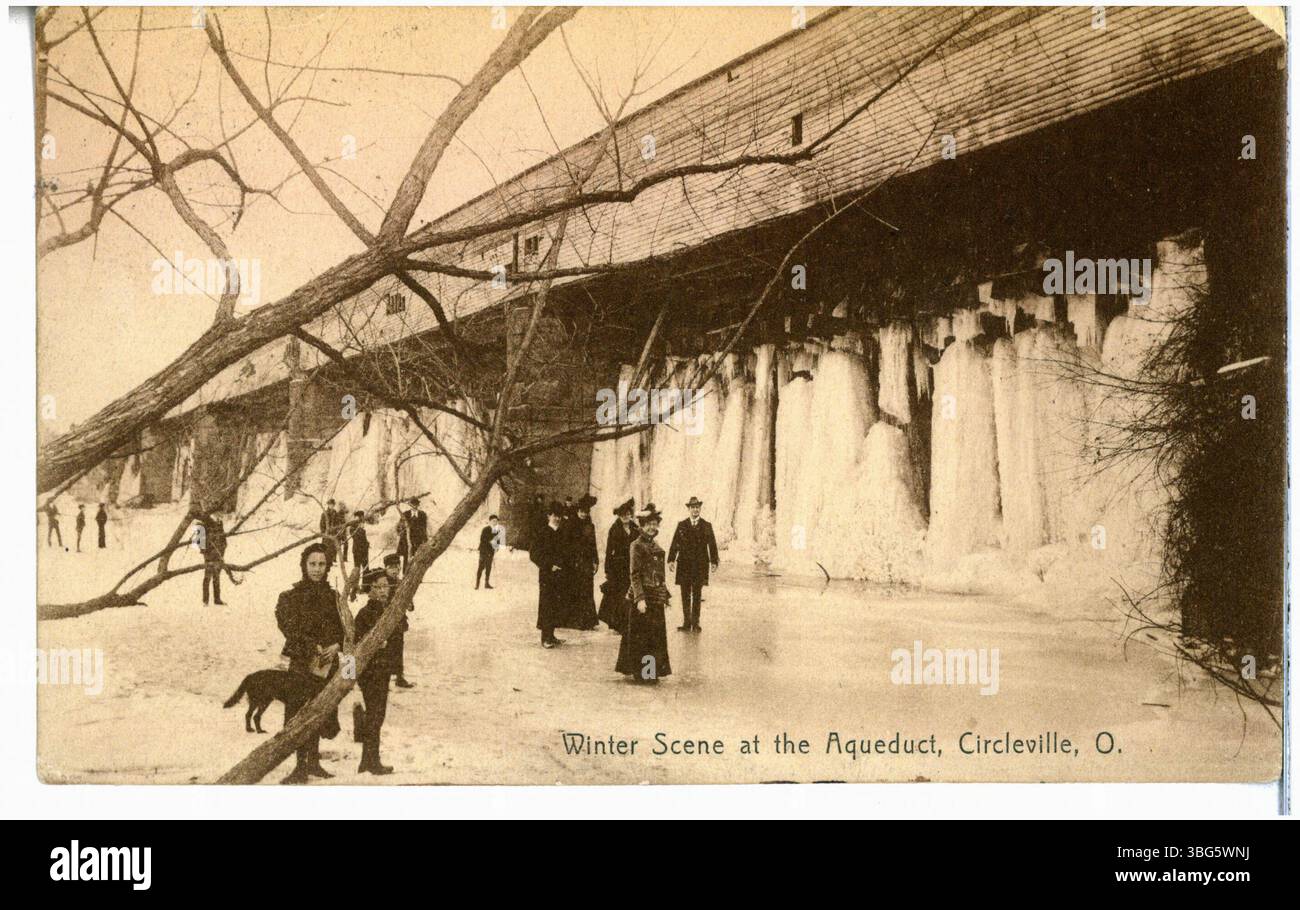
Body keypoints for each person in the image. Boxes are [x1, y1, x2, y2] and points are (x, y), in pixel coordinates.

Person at [274, 543, 344, 784]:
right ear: (304, 566)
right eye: (312, 564)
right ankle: (299, 766)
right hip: (300, 662)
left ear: (328, 567)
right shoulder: (290, 597)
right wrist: (309, 644)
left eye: (321, 564)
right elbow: (287, 625)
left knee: (319, 710)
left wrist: (336, 645)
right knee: (299, 712)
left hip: (325, 663)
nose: (317, 569)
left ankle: (314, 763)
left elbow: (344, 628)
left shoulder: (334, 597)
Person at [616, 504, 672, 684]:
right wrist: (639, 599)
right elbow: (634, 574)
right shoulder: (636, 546)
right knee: (642, 637)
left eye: (654, 524)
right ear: (641, 525)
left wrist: (665, 594)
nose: (652, 527)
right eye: (648, 524)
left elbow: (659, 574)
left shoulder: (655, 545)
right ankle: (641, 673)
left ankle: (651, 672)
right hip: (643, 599)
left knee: (654, 637)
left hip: (656, 598)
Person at [353, 568, 401, 775]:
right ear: (369, 589)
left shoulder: (385, 610)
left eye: (386, 586)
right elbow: (355, 644)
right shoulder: (366, 613)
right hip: (371, 673)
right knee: (376, 715)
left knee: (376, 715)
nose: (383, 591)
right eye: (378, 587)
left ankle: (367, 759)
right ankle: (372, 761)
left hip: (381, 671)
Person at [667, 496, 720, 633]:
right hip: (684, 565)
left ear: (700, 509)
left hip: (700, 565)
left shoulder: (706, 525)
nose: (695, 509)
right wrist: (671, 559)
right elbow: (675, 543)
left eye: (697, 507)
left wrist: (714, 561)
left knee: (697, 594)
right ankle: (686, 623)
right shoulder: (682, 525)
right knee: (685, 594)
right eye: (693, 507)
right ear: (689, 509)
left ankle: (695, 623)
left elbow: (712, 545)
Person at [598, 498, 638, 633]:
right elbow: (609, 550)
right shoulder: (614, 529)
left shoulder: (635, 528)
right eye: (623, 515)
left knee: (630, 594)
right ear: (619, 515)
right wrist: (608, 569)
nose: (626, 517)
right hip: (618, 567)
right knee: (618, 595)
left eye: (628, 514)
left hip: (632, 566)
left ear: (630, 514)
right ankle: (617, 624)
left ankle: (628, 622)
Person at [530, 502, 567, 648]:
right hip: (547, 575)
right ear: (548, 516)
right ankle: (545, 638)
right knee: (546, 605)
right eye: (554, 516)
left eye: (559, 516)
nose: (557, 519)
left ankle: (551, 635)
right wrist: (549, 565)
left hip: (560, 574)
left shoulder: (562, 532)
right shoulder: (542, 532)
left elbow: (567, 552)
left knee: (556, 605)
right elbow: (534, 554)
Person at [560, 494, 599, 630]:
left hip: (587, 562)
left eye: (586, 512)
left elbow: (593, 544)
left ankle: (587, 621)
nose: (583, 514)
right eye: (581, 511)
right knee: (574, 590)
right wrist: (570, 559)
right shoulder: (571, 524)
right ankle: (574, 620)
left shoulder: (590, 526)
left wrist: (596, 561)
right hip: (574, 562)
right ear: (577, 512)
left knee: (587, 590)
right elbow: (566, 544)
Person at [382, 553, 415, 689]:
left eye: (397, 567)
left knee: (398, 649)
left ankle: (399, 677)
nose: (395, 570)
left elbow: (410, 604)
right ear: (386, 569)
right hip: (384, 622)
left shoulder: (401, 583)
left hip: (399, 623)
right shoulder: (382, 583)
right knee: (385, 650)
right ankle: (384, 678)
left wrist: (409, 604)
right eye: (391, 568)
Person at [201, 513, 227, 606]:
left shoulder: (220, 523)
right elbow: (200, 540)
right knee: (207, 577)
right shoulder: (205, 522)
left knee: (217, 576)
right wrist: (205, 551)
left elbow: (224, 539)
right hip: (209, 554)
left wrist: (223, 549)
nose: (219, 516)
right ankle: (205, 600)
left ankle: (217, 599)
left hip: (219, 554)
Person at [476, 515, 502, 589]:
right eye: (494, 521)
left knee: (488, 567)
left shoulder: (497, 531)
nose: (495, 522)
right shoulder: (485, 529)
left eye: (496, 521)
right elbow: (482, 539)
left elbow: (498, 541)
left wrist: (497, 547)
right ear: (490, 521)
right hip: (483, 550)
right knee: (481, 567)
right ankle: (477, 584)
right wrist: (490, 542)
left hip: (491, 551)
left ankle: (486, 583)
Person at [349, 511, 370, 601]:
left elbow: (363, 539)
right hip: (357, 551)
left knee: (366, 569)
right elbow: (356, 537)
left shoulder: (361, 526)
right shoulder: (353, 528)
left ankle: (365, 588)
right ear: (356, 517)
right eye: (359, 517)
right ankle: (354, 590)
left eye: (361, 517)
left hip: (364, 551)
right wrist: (360, 528)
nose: (360, 519)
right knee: (357, 569)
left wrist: (367, 543)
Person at [320, 499, 340, 563]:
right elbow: (321, 524)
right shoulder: (324, 513)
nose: (331, 506)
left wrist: (337, 530)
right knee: (326, 546)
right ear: (328, 505)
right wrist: (324, 532)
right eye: (330, 504)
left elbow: (338, 523)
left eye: (332, 505)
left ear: (334, 505)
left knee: (334, 547)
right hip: (327, 533)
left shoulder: (336, 513)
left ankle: (333, 560)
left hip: (334, 533)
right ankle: (325, 560)